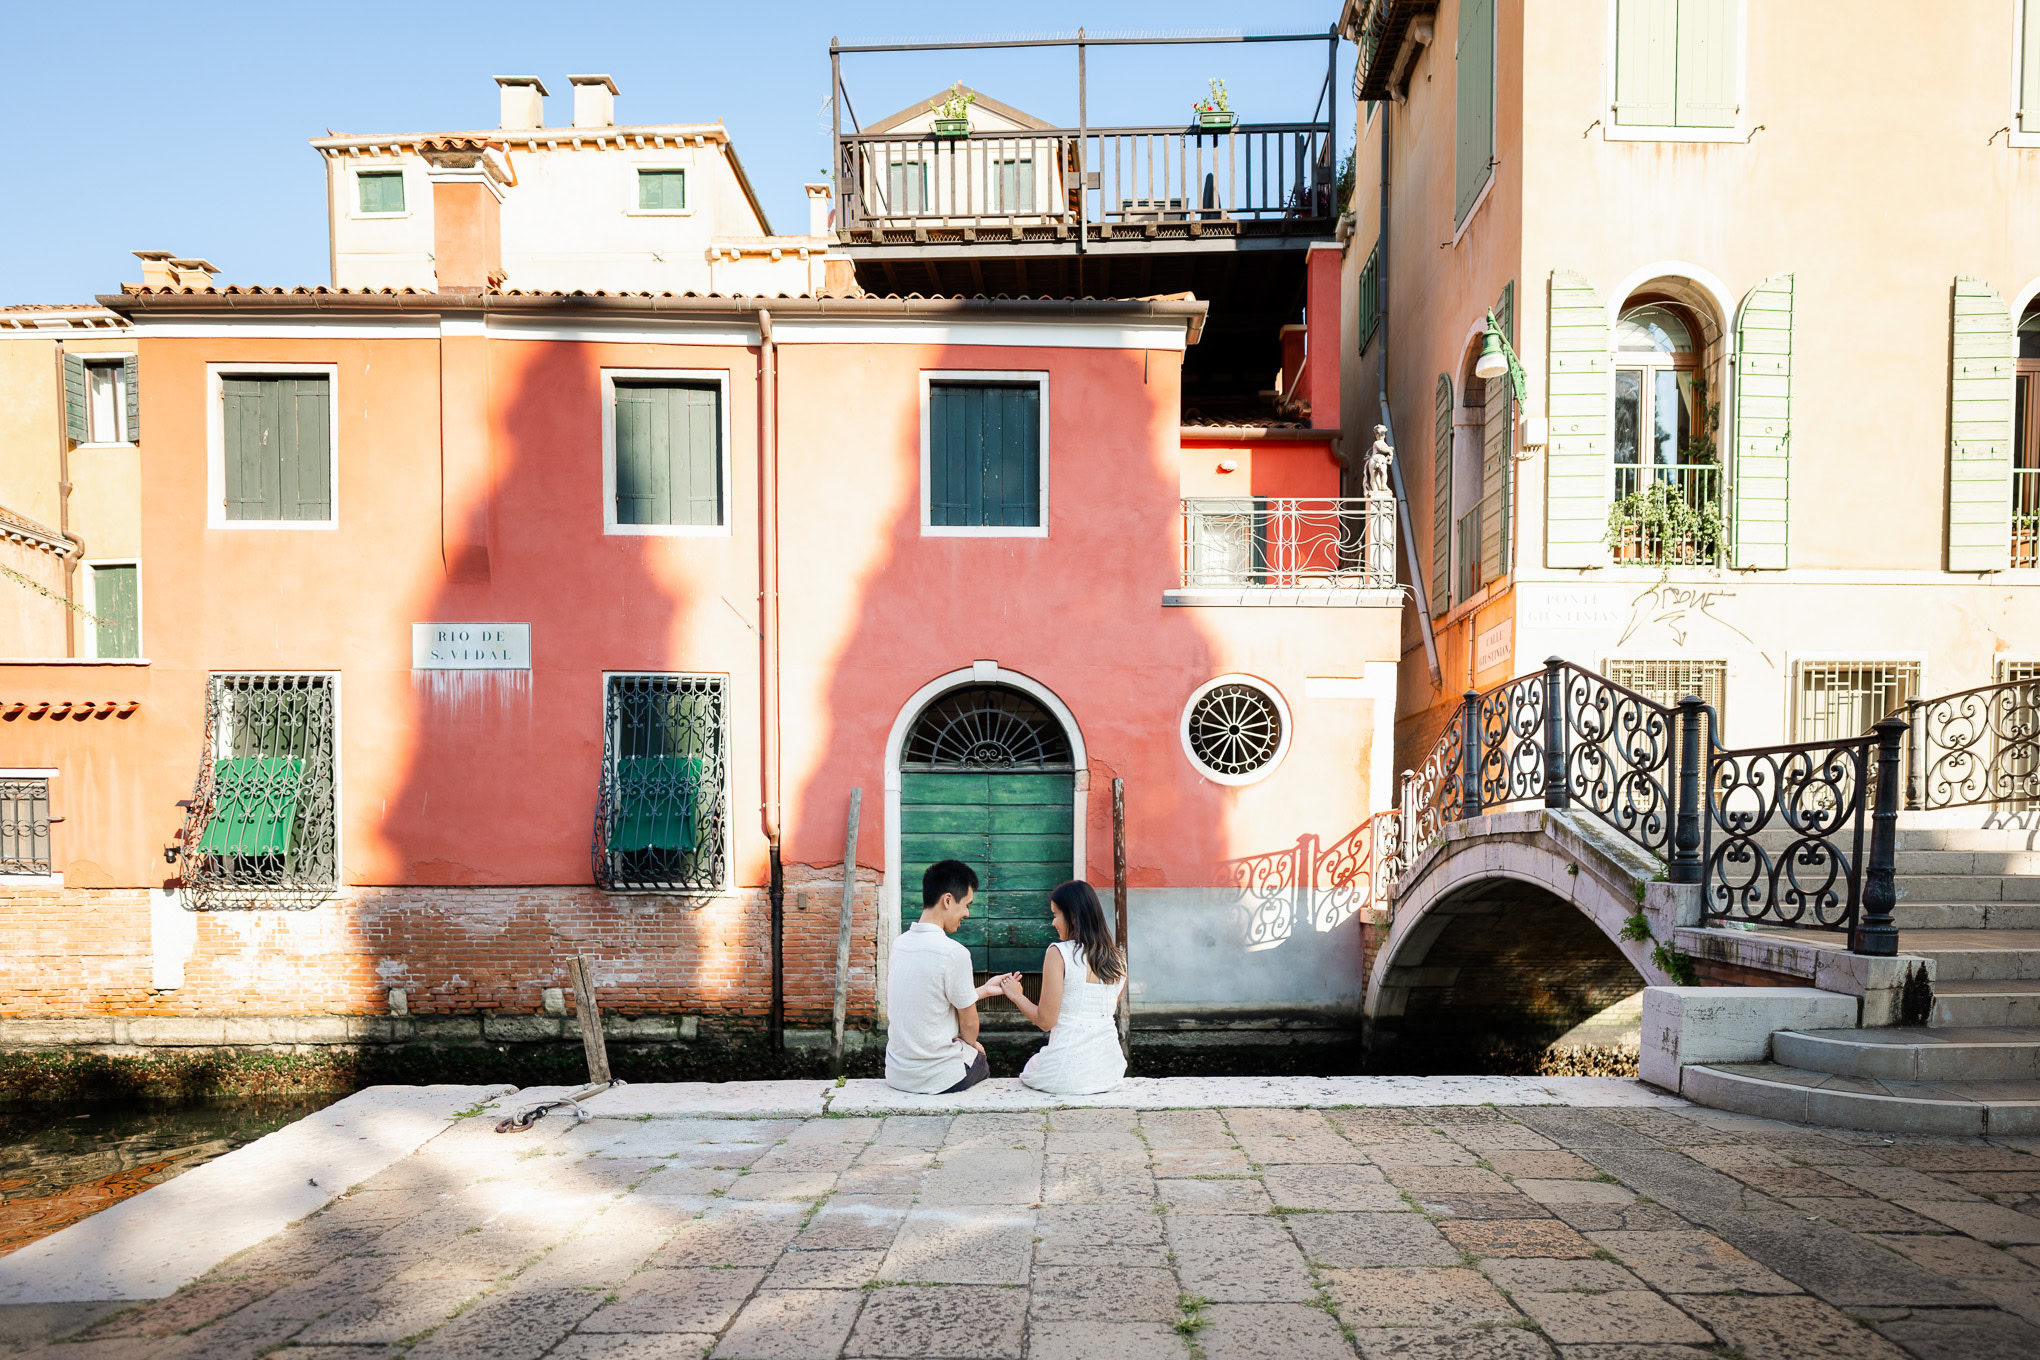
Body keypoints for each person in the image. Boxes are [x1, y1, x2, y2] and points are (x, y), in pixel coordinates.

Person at [885, 859, 1011, 1094]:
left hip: (897, 1074)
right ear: (948, 900)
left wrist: (982, 990)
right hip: (938, 1078)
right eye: (966, 905)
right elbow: (970, 1023)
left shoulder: (899, 944)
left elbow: (927, 998)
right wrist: (972, 1046)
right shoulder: (954, 952)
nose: (967, 913)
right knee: (981, 1060)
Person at [1001, 880, 1127, 1095]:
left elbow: (1045, 1021)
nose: (1053, 922)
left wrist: (1015, 994)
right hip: (1109, 1072)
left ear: (1073, 917)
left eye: (1056, 915)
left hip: (1065, 1075)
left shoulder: (1059, 953)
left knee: (1033, 1066)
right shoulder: (1118, 959)